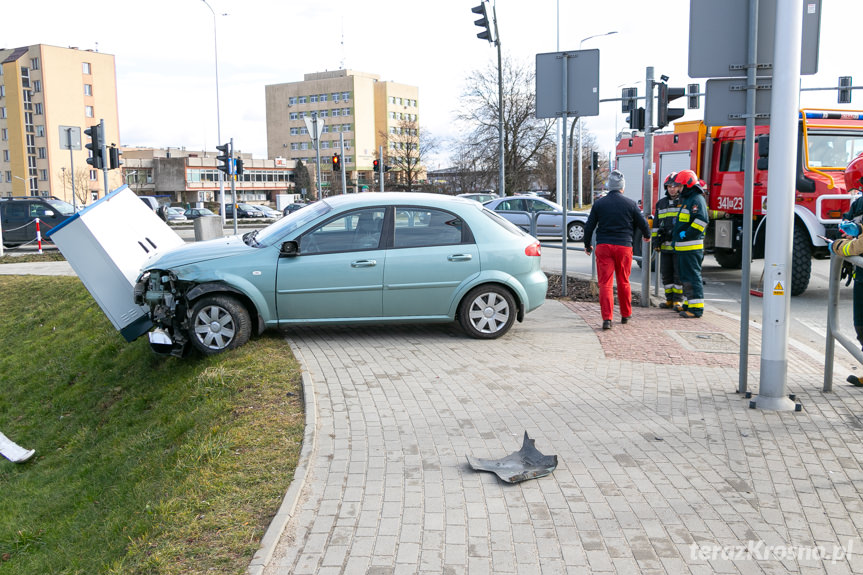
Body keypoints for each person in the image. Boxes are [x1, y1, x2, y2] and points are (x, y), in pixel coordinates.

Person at [583, 170, 651, 330]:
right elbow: (642, 223)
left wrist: (587, 245)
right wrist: (647, 235)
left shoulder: (599, 204)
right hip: (624, 246)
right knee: (623, 280)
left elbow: (589, 226)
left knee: (605, 283)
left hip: (604, 246)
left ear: (609, 186)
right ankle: (626, 314)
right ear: (622, 187)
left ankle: (607, 319)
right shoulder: (631, 203)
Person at [829, 153, 863, 385]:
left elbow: (859, 244)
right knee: (861, 324)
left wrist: (841, 246)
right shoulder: (859, 202)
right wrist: (849, 228)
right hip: (861, 274)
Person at [671, 169, 709, 318]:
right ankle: (689, 303)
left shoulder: (696, 199)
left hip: (691, 247)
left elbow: (701, 221)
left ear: (688, 184)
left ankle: (696, 309)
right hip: (684, 247)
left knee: (692, 277)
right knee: (685, 277)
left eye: (680, 186)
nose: (678, 189)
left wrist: (686, 234)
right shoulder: (688, 199)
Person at [652, 172, 686, 311]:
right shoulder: (661, 203)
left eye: (675, 186)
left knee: (678, 275)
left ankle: (678, 301)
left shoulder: (684, 202)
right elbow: (655, 225)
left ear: (680, 187)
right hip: (665, 246)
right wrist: (655, 242)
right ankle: (669, 300)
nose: (672, 189)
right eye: (669, 186)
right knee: (666, 274)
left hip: (679, 246)